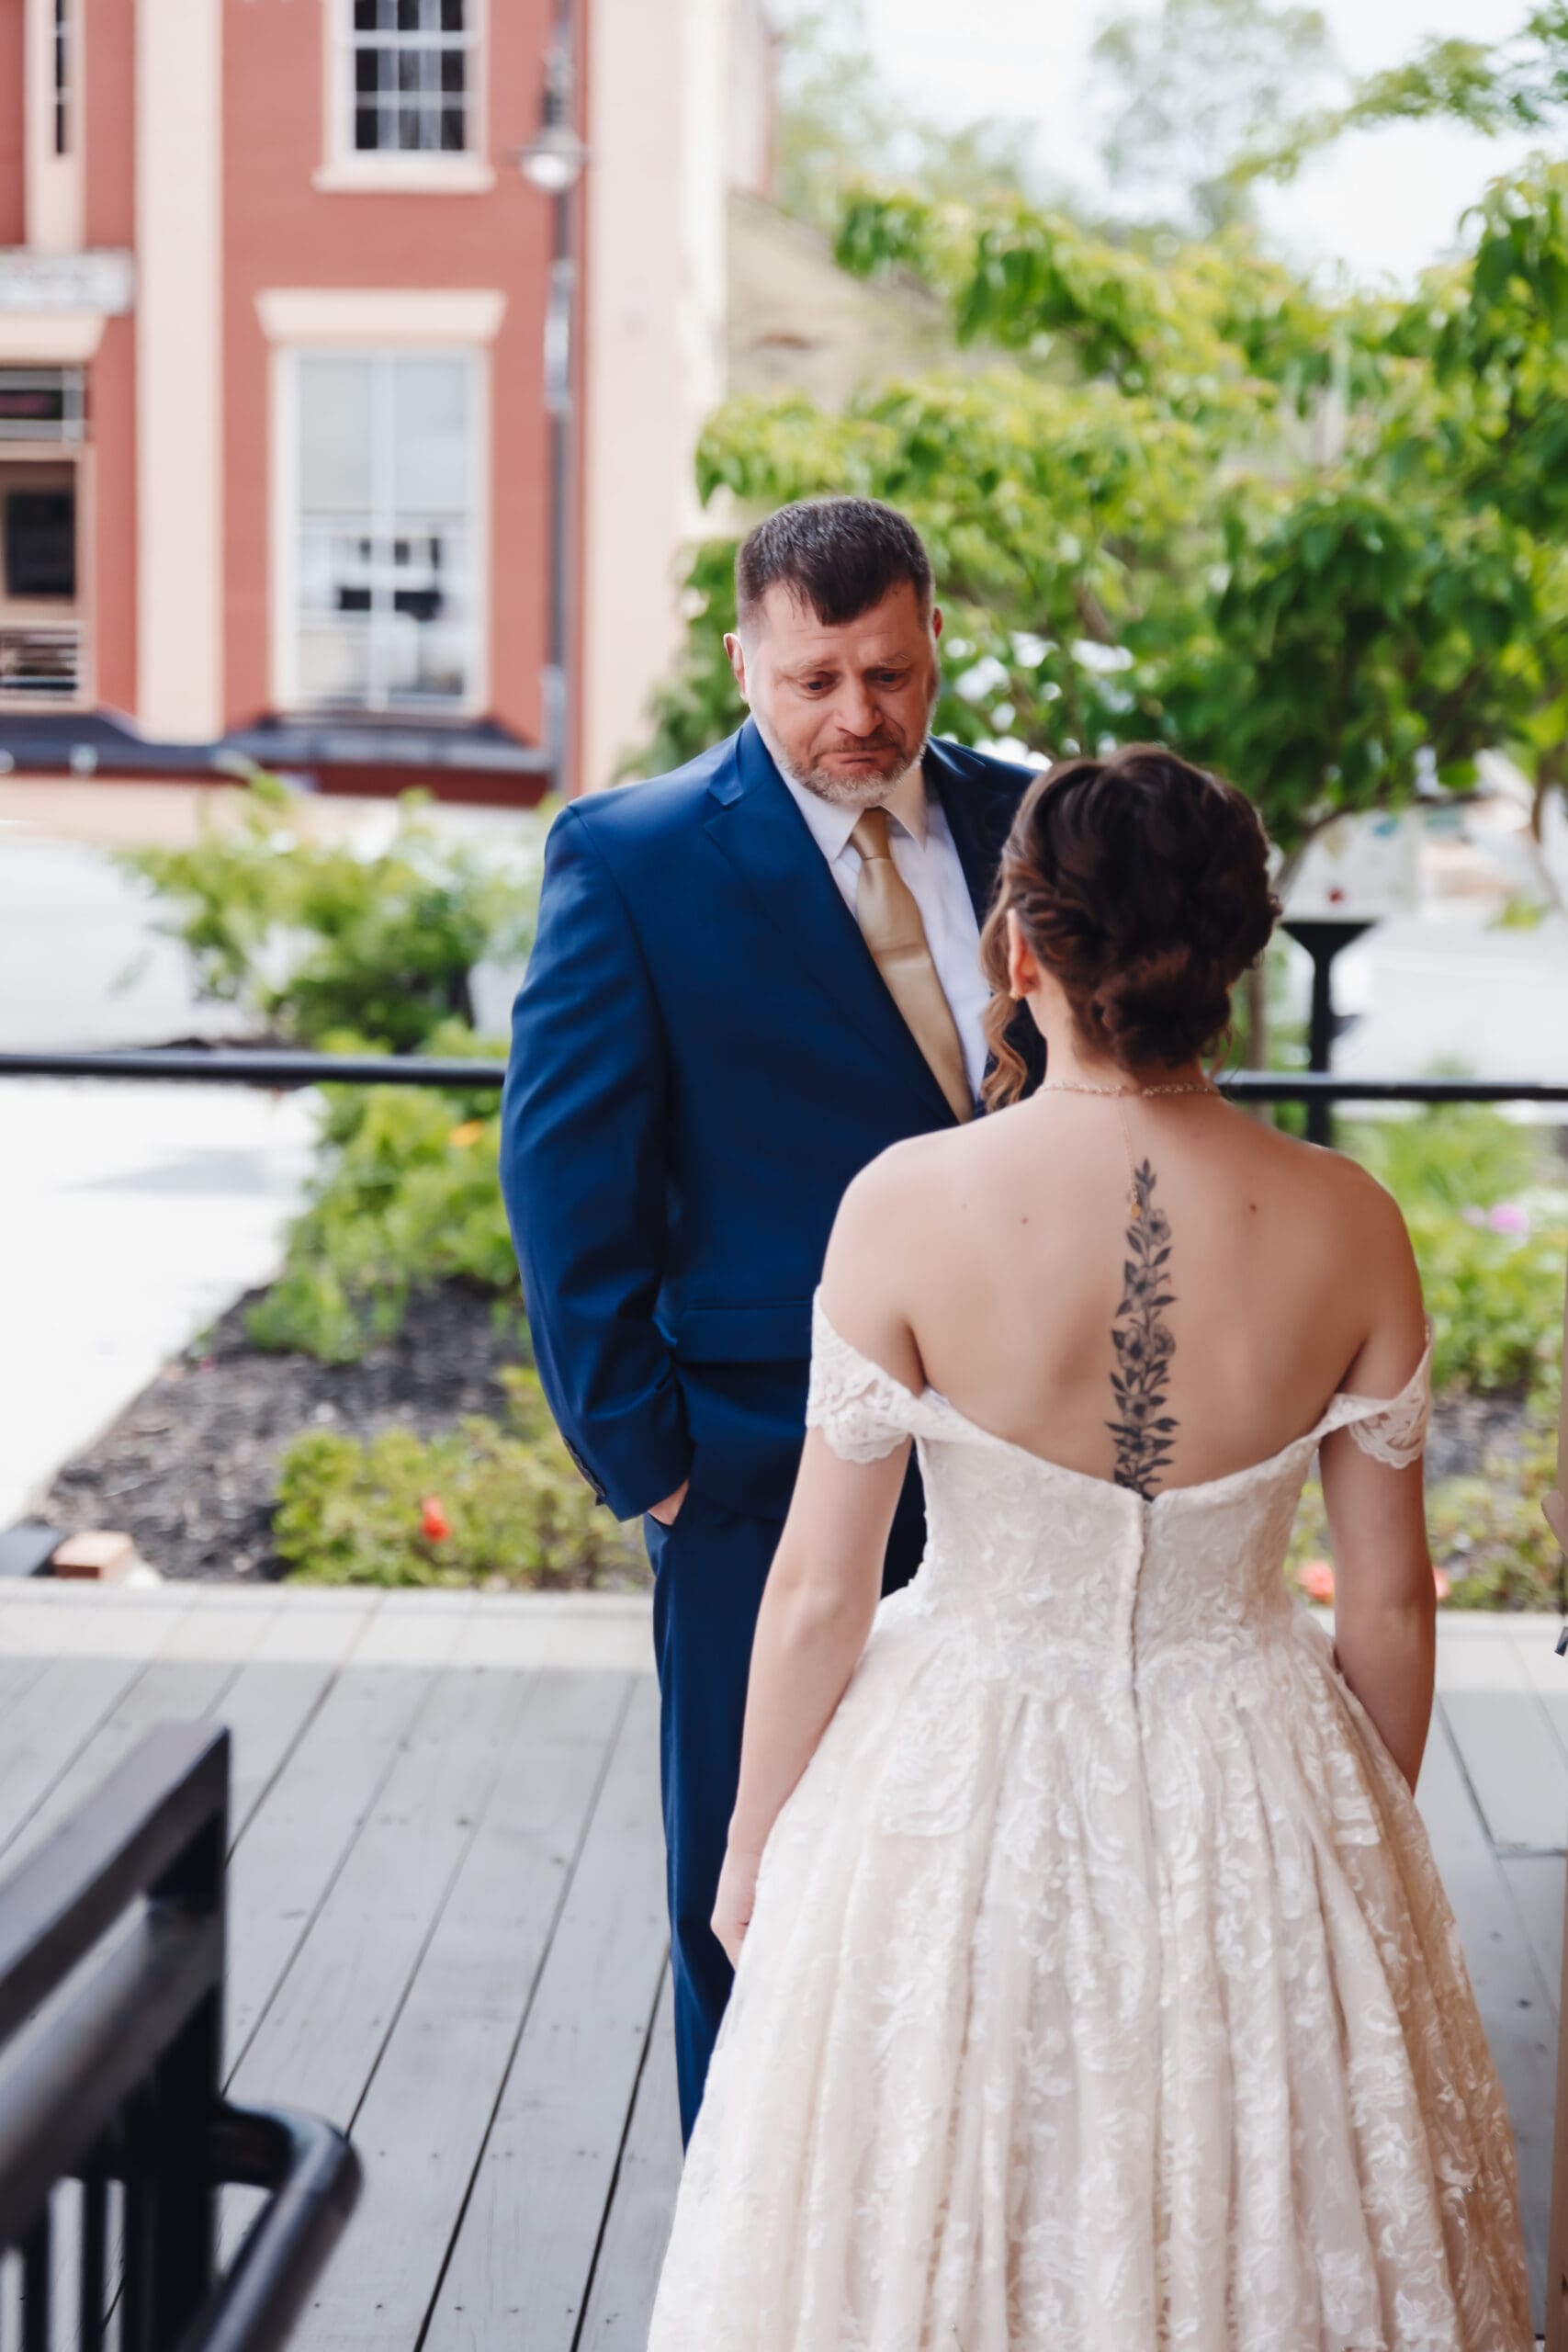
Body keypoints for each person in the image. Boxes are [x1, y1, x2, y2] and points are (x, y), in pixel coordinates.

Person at [647, 747, 1532, 2350]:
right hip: (1258, 1760)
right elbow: (1390, 1603)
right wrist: (1359, 1850)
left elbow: (821, 1589)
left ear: (1020, 951)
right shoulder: (1353, 1221)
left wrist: (751, 1846)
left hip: (952, 1771)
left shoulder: (906, 1202)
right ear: (1236, 956)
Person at [498, 496, 1043, 2141]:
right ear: (745, 660)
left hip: (1033, 1470)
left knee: (989, 1880)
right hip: (759, 1468)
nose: (856, 716)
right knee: (750, 1884)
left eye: (886, 670)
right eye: (813, 679)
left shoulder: (1035, 825)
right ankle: (752, 2255)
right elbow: (564, 1184)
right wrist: (653, 1467)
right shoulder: (634, 857)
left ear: (935, 641)